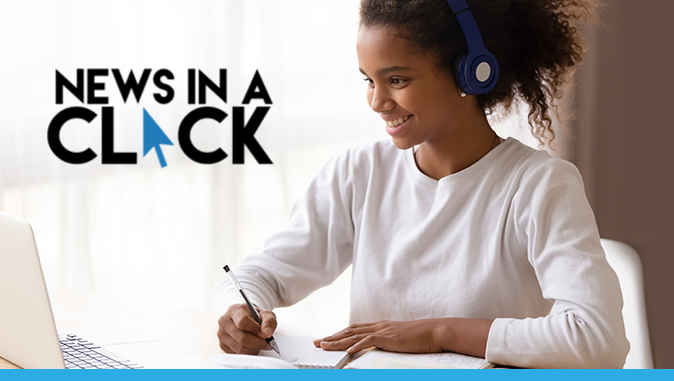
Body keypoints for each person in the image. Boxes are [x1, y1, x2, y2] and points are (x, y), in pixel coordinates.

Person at [212, 0, 629, 368]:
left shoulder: (539, 186)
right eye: (369, 81)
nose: (377, 102)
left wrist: (438, 333)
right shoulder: (359, 174)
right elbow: (257, 274)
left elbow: (598, 340)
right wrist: (238, 310)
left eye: (397, 80)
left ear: (472, 72)